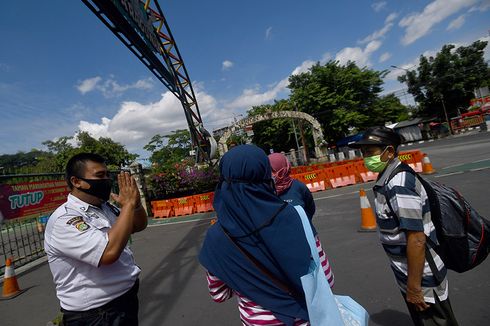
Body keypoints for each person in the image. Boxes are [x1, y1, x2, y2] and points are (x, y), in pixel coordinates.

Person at [199, 145, 333, 326]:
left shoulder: (217, 236)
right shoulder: (297, 217)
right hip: (310, 317)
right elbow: (327, 278)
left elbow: (219, 294)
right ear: (265, 173)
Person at [350, 127, 458, 326]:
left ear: (389, 152)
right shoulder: (387, 177)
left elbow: (417, 239)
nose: (365, 158)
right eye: (363, 153)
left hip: (423, 277)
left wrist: (415, 287)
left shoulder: (398, 183)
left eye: (370, 152)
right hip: (409, 272)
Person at [44, 153, 147, 326]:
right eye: (100, 176)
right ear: (76, 181)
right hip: (97, 314)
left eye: (107, 174)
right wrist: (128, 205)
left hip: (125, 300)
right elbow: (108, 253)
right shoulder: (65, 219)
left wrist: (134, 205)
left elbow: (137, 225)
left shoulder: (104, 206)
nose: (106, 180)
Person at [268, 153, 315, 221]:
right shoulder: (265, 189)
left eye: (273, 170)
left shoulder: (299, 187)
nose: (271, 174)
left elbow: (310, 209)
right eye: (268, 170)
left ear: (284, 169)